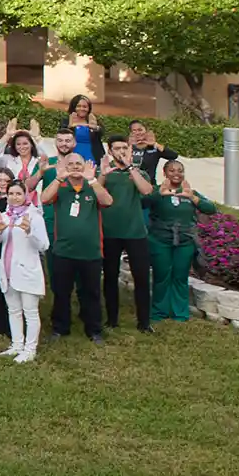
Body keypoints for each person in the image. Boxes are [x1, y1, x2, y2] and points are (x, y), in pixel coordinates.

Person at [41, 152, 111, 342]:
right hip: (64, 250)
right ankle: (60, 328)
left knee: (92, 292)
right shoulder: (61, 187)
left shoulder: (91, 186)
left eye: (78, 163)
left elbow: (107, 201)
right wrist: (58, 177)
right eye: (70, 164)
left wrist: (93, 180)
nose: (75, 167)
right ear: (64, 166)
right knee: (62, 292)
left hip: (91, 251)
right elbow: (44, 199)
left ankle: (94, 330)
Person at [143, 159, 219, 325]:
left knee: (180, 275)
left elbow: (211, 209)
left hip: (185, 241)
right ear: (164, 173)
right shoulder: (158, 191)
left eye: (180, 171)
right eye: (172, 170)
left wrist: (192, 197)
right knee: (161, 275)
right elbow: (143, 203)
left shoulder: (190, 192)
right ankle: (159, 311)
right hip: (160, 240)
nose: (176, 174)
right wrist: (159, 194)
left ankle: (180, 312)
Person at [99, 138, 155, 334]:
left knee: (141, 277)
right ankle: (111, 319)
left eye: (124, 148)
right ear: (110, 150)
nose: (121, 151)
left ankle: (144, 322)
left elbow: (147, 191)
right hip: (110, 232)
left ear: (129, 149)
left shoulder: (139, 172)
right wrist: (103, 174)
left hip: (135, 232)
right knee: (110, 277)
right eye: (117, 148)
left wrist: (131, 168)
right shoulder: (106, 171)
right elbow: (96, 192)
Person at [0, 179, 49, 361]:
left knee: (30, 311)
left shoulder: (34, 216)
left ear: (25, 195)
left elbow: (44, 245)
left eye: (18, 194)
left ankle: (30, 349)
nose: (14, 197)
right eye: (11, 194)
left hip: (27, 270)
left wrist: (30, 232)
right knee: (13, 310)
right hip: (8, 270)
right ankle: (17, 344)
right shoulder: (6, 216)